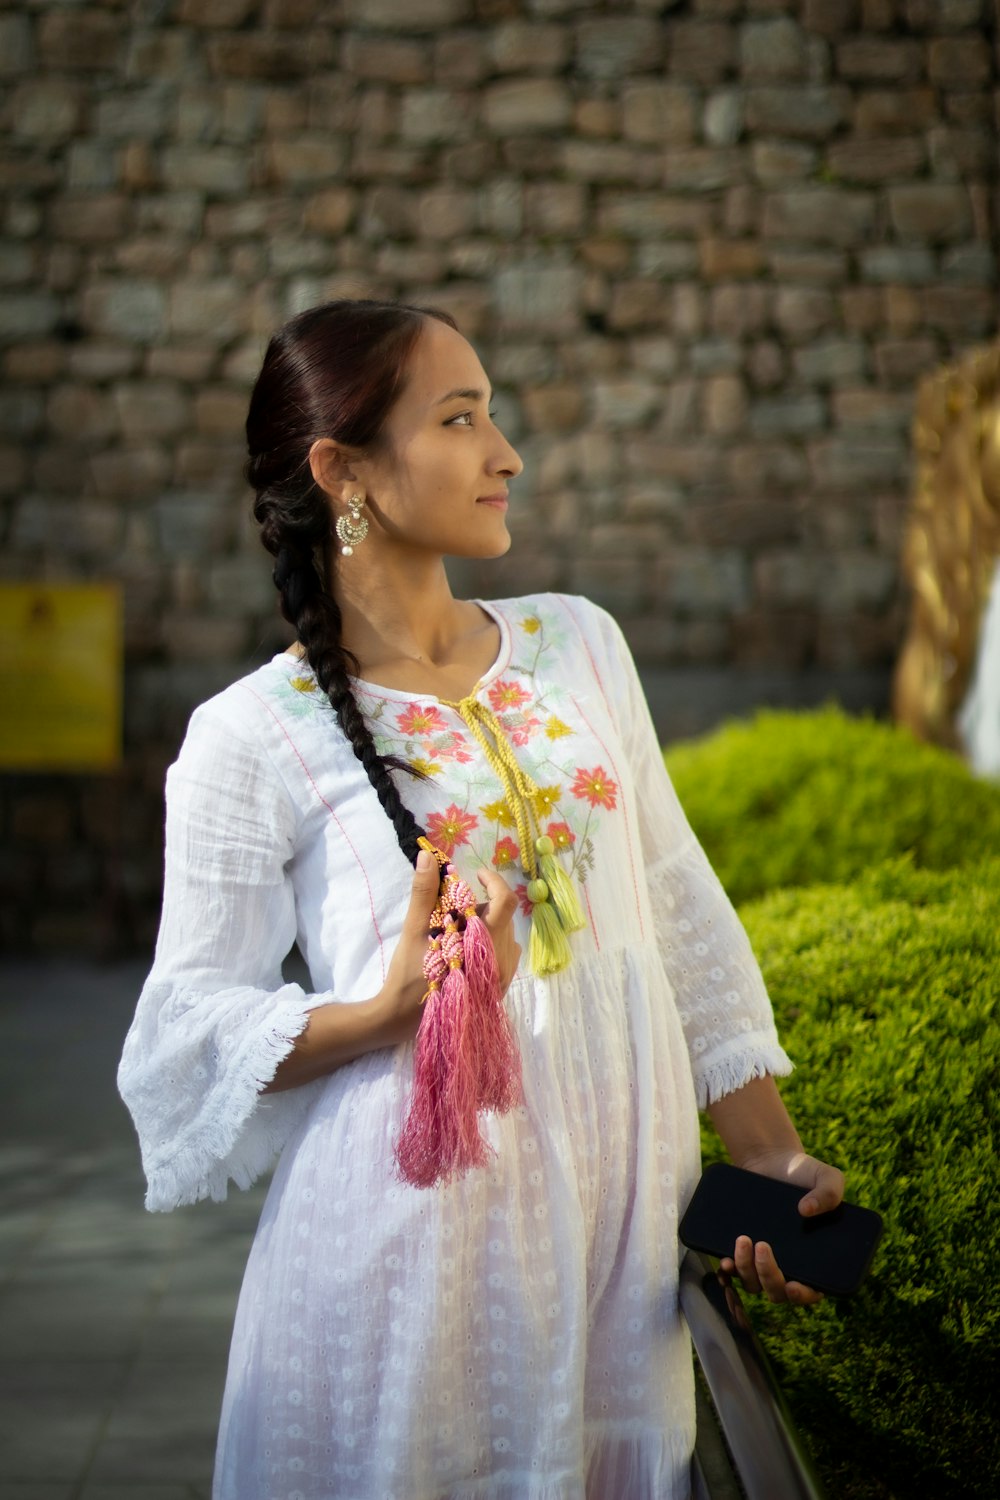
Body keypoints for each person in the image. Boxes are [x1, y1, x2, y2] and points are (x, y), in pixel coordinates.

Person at [119, 299, 845, 1500]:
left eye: (493, 414)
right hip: (400, 1272)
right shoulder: (250, 736)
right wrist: (381, 1010)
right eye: (460, 419)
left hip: (615, 1260)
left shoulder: (579, 645)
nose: (505, 453)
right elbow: (176, 1038)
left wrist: (769, 1159)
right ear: (341, 470)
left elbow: (676, 914)